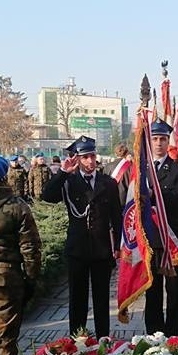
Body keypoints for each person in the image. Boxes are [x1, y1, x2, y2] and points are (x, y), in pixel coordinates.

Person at [42, 135, 122, 338]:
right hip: (77, 249)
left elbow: (116, 215)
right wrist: (62, 172)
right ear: (77, 159)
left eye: (92, 156)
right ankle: (77, 342)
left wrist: (119, 246)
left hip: (102, 250)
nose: (90, 161)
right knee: (77, 299)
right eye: (85, 157)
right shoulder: (69, 181)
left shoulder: (108, 183)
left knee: (102, 299)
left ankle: (103, 339)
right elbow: (47, 196)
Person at [0, 151, 41, 355]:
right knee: (7, 340)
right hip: (7, 279)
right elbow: (30, 247)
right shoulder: (17, 206)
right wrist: (31, 279)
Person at [144, 119, 178, 336]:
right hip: (150, 239)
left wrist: (154, 195)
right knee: (151, 290)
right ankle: (153, 334)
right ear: (149, 141)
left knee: (174, 290)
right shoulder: (141, 169)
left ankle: (172, 336)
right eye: (155, 139)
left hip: (173, 238)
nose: (159, 143)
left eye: (163, 139)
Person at [106, 142, 132, 208]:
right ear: (127, 153)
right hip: (125, 205)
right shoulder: (130, 166)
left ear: (115, 153)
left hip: (110, 203)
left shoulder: (107, 166)